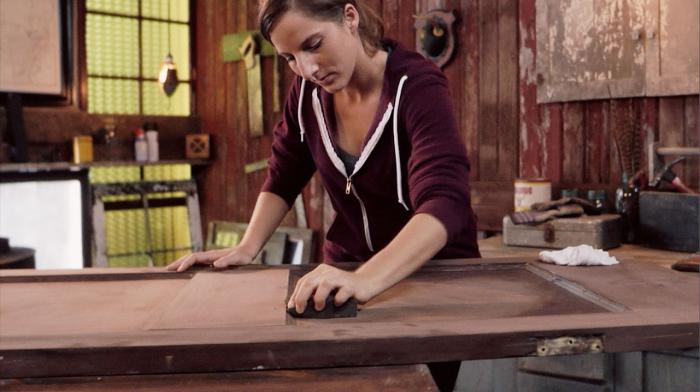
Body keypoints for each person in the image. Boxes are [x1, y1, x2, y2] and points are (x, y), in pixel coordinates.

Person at [167, 1, 479, 389]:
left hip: (431, 278)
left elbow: (445, 202)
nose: (308, 68)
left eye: (314, 44)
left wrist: (366, 280)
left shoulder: (416, 85)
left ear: (349, 17)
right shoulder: (306, 95)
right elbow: (284, 174)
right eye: (290, 58)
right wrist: (247, 247)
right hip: (346, 275)